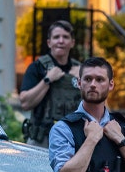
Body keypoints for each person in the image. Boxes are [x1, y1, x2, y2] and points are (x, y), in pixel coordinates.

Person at [20, 20, 81, 148]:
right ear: (49, 42)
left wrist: (83, 82)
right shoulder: (37, 67)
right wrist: (47, 80)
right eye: (56, 37)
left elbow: (96, 103)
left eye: (65, 37)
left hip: (72, 140)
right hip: (42, 140)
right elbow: (25, 103)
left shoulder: (80, 70)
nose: (61, 41)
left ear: (72, 43)